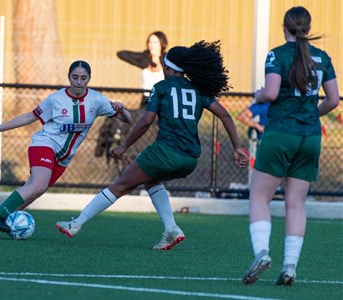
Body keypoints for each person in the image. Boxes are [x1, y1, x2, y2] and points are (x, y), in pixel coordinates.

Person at [56, 41, 248, 250]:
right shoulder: (198, 90)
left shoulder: (161, 87)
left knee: (120, 185)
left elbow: (145, 121)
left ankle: (76, 224)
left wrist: (124, 146)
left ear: (168, 67)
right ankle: (171, 229)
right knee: (152, 182)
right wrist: (237, 146)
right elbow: (225, 115)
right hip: (190, 158)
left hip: (165, 151)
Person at [0, 60, 131, 238]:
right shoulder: (56, 99)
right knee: (38, 185)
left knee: (33, 193)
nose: (79, 82)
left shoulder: (97, 99)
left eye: (83, 78)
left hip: (64, 157)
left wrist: (122, 110)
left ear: (89, 79)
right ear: (69, 77)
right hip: (44, 144)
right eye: (75, 77)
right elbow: (29, 116)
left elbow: (127, 118)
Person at [242, 6, 340, 286]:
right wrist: (311, 115)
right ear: (308, 30)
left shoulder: (277, 54)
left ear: (284, 28)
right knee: (295, 204)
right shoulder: (322, 58)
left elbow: (271, 92)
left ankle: (262, 252)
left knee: (260, 197)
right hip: (310, 136)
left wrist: (258, 95)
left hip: (281, 132)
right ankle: (289, 268)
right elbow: (333, 100)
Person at [95, 31, 168, 162]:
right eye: (149, 42)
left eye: (155, 42)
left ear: (162, 44)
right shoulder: (145, 60)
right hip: (146, 101)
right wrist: (146, 59)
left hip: (162, 102)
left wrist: (159, 62)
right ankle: (107, 148)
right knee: (122, 118)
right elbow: (121, 54)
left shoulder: (167, 60)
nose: (151, 45)